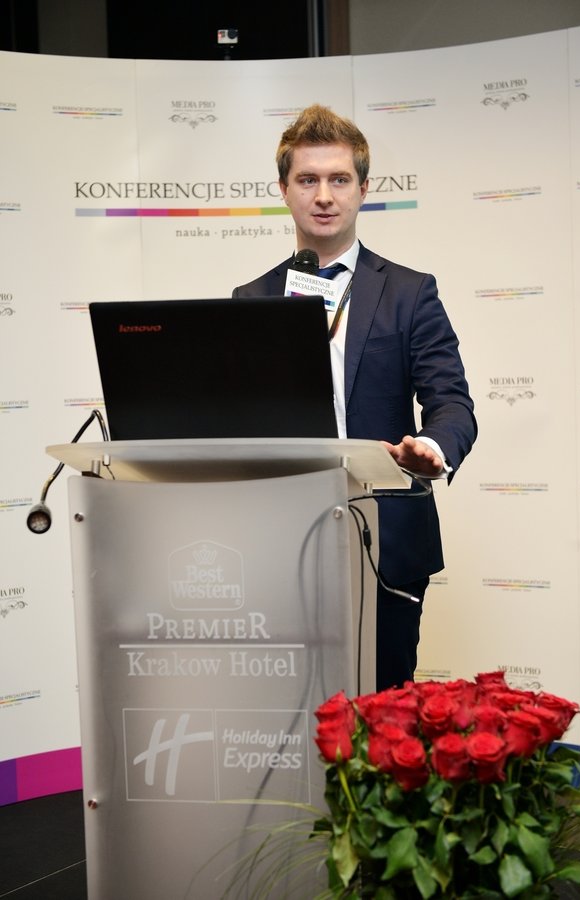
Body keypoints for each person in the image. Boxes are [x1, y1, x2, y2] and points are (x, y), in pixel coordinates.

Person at [233, 104, 477, 690]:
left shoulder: (411, 293)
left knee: (383, 716)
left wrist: (432, 448)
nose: (324, 196)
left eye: (339, 179)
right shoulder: (250, 300)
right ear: (284, 190)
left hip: (388, 538)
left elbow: (452, 402)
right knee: (288, 714)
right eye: (307, 180)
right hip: (281, 543)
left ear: (363, 190)